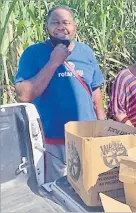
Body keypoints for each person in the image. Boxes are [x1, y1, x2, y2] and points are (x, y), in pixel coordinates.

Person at [14, 6, 105, 183]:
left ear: (74, 27)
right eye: (55, 22)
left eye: (66, 22)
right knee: (55, 190)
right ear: (47, 27)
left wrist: (101, 121)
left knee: (88, 187)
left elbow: (95, 88)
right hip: (52, 141)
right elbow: (24, 95)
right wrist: (54, 62)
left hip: (87, 137)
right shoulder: (33, 53)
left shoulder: (86, 52)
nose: (61, 27)